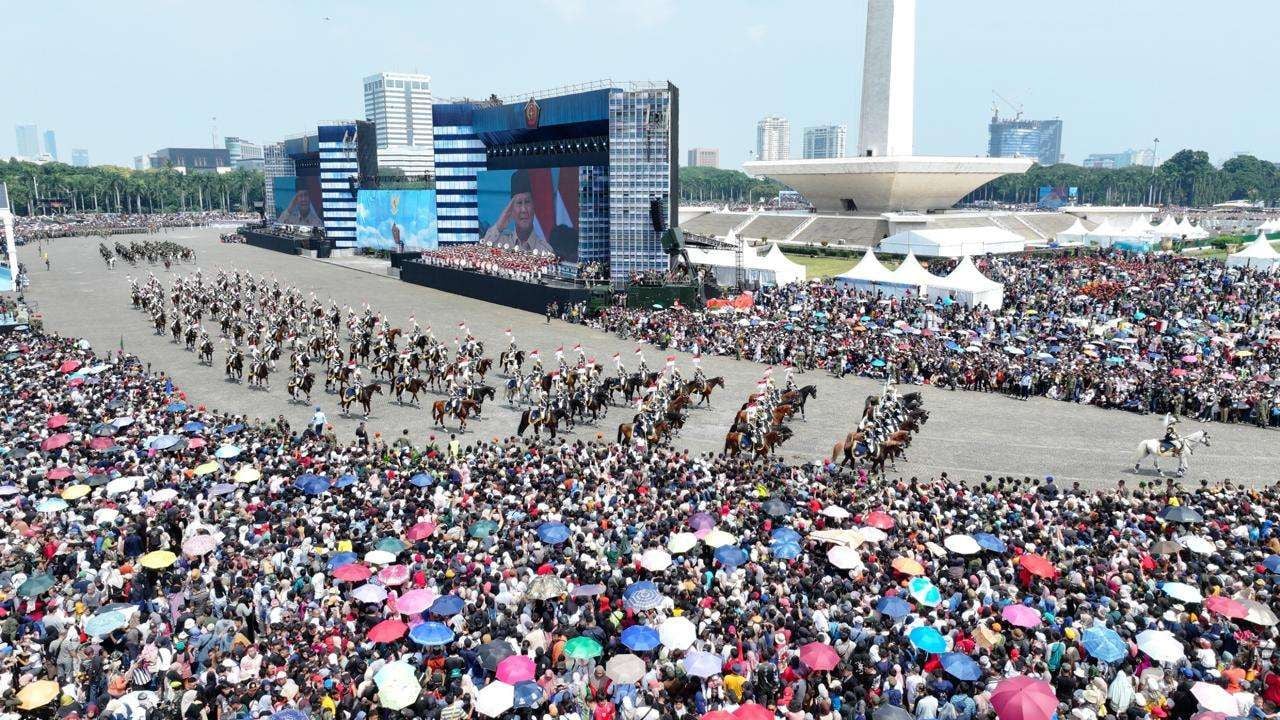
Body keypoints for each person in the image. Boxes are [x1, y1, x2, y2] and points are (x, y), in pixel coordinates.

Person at [483, 169, 554, 254]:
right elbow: (482, 253)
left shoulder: (546, 251)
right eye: (519, 203)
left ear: (533, 207)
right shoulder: (499, 243)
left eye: (527, 202)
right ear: (511, 210)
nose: (523, 210)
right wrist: (499, 226)